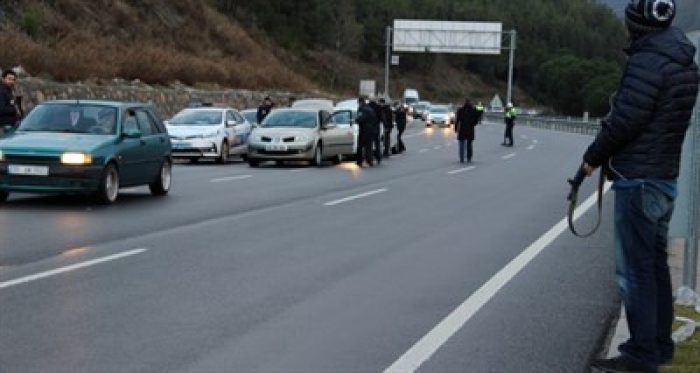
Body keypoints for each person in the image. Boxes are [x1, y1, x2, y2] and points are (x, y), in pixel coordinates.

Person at [583, 1, 699, 372]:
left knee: (634, 271)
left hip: (638, 179)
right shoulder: (684, 60)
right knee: (655, 268)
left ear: (638, 26)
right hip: (664, 176)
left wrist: (592, 157)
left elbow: (625, 121)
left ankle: (640, 354)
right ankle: (660, 347)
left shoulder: (647, 62)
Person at [454, 98, 480, 163]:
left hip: (462, 129)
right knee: (469, 144)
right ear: (470, 103)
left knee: (461, 144)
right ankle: (469, 158)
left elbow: (457, 120)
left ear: (464, 103)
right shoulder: (474, 110)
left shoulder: (460, 110)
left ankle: (461, 158)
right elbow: (476, 120)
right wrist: (473, 124)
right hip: (470, 129)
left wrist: (456, 128)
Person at [355, 97, 379, 167]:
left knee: (360, 146)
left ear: (360, 102)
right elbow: (375, 119)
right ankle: (369, 160)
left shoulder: (362, 109)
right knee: (369, 146)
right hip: (371, 130)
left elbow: (361, 118)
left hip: (364, 130)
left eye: (358, 103)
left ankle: (359, 161)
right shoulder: (370, 109)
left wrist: (356, 120)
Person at [368, 98, 383, 165]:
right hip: (376, 127)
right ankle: (378, 158)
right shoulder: (378, 107)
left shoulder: (367, 107)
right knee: (377, 143)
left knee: (370, 144)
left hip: (369, 127)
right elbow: (381, 117)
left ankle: (370, 159)